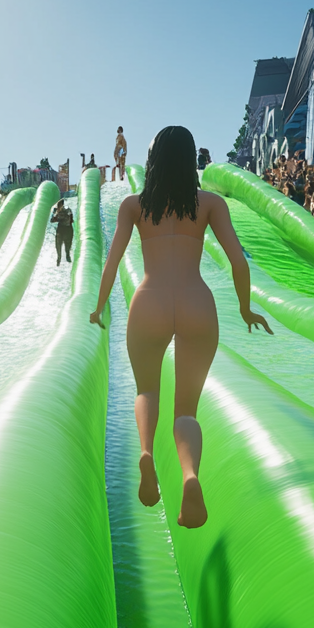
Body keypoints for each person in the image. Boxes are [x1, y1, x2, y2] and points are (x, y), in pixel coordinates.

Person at [90, 126, 272, 529]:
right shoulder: (209, 204)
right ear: (191, 160)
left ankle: (146, 454)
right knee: (186, 410)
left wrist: (100, 306)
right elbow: (238, 262)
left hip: (150, 299)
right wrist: (244, 309)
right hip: (195, 302)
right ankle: (190, 475)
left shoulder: (134, 206)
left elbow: (112, 260)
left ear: (152, 162)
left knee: (146, 389)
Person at [52, 200, 74, 266]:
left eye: (60, 206)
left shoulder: (67, 208)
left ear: (62, 205)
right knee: (58, 244)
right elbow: (52, 220)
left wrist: (59, 218)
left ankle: (68, 256)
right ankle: (59, 258)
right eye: (58, 206)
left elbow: (69, 217)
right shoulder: (56, 210)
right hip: (61, 229)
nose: (58, 207)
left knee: (67, 245)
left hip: (67, 228)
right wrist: (56, 215)